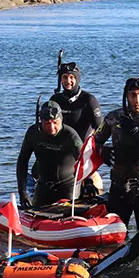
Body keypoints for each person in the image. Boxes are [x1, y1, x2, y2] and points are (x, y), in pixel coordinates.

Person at [94, 77, 139, 230]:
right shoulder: (113, 118)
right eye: (133, 95)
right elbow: (94, 142)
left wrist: (137, 136)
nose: (137, 100)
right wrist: (103, 151)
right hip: (119, 187)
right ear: (126, 96)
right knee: (116, 238)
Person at [50, 61, 104, 196]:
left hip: (82, 154)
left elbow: (101, 129)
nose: (68, 81)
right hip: (60, 152)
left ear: (77, 78)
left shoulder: (89, 100)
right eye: (64, 77)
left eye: (72, 77)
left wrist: (97, 151)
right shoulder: (55, 99)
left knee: (89, 186)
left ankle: (90, 187)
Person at [16, 101, 83, 209]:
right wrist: (22, 192)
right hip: (43, 186)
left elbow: (85, 161)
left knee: (66, 216)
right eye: (47, 124)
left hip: (68, 186)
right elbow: (22, 162)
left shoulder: (70, 135)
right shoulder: (33, 133)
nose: (52, 128)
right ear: (40, 121)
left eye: (55, 122)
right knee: (35, 214)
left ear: (61, 120)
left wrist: (88, 182)